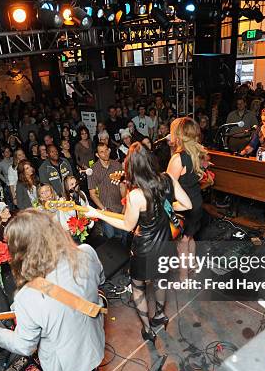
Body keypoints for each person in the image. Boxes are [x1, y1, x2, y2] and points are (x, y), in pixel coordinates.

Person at [0, 210, 105, 371]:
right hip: (92, 342)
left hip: (65, 363)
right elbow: (100, 280)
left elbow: (25, 346)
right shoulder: (85, 252)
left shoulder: (27, 296)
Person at [84, 143, 192, 344]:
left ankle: (148, 329)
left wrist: (98, 213)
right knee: (161, 280)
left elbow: (127, 225)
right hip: (165, 245)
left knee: (139, 286)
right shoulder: (167, 179)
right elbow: (187, 204)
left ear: (131, 168)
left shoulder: (135, 196)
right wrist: (164, 205)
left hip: (144, 249)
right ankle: (160, 315)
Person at [166, 117, 208, 279]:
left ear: (178, 134)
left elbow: (169, 185)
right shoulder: (197, 152)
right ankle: (193, 266)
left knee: (181, 244)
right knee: (189, 237)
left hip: (184, 206)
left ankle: (183, 278)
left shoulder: (178, 159)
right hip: (197, 202)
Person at [87, 143, 128, 244]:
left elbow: (123, 185)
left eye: (106, 150)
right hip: (107, 211)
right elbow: (92, 194)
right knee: (112, 239)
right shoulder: (93, 170)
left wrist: (125, 205)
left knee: (124, 236)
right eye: (101, 152)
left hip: (120, 208)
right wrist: (103, 209)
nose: (105, 153)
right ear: (97, 155)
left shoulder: (116, 165)